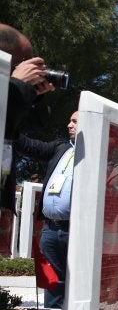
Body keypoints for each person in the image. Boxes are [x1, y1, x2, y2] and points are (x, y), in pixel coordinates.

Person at [14, 111, 78, 308]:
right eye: (69, 120)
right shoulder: (61, 147)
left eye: (75, 121)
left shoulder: (99, 154)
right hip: (50, 230)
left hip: (76, 231)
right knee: (52, 283)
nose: (69, 125)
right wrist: (9, 129)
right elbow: (31, 146)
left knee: (77, 286)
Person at [0, 24, 54, 215]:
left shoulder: (11, 97)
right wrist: (17, 85)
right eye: (25, 63)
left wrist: (36, 95)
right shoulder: (11, 93)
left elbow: (37, 124)